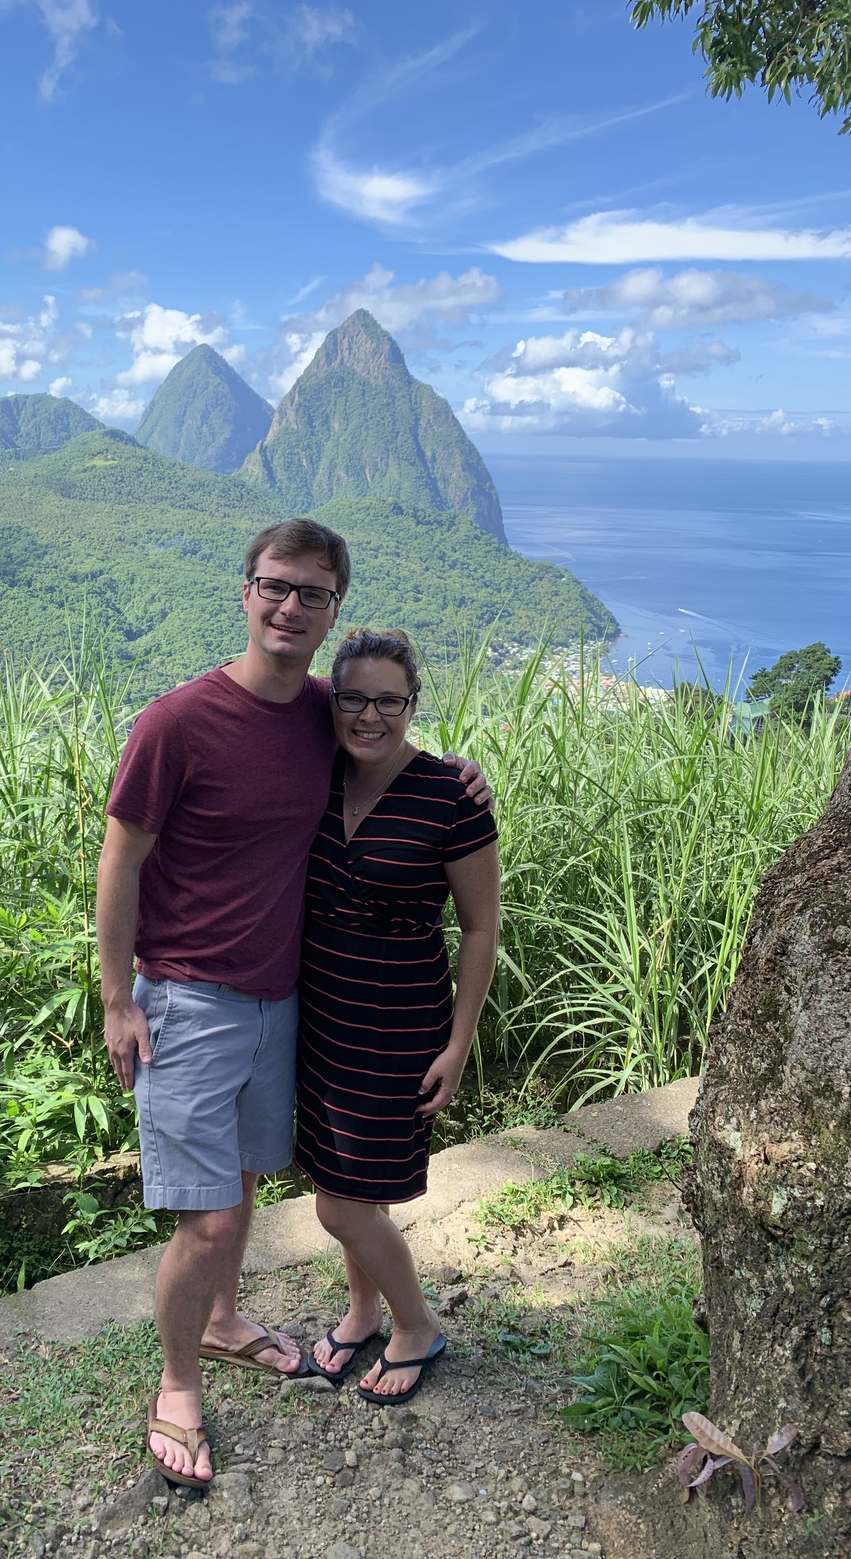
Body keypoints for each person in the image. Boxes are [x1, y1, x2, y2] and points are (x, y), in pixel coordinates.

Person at [96, 518, 491, 1486]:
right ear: (245, 591)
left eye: (311, 594)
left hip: (285, 1006)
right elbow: (121, 860)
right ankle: (179, 1383)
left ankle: (226, 1321)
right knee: (213, 1220)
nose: (289, 605)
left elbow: (380, 730)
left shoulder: (323, 711)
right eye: (275, 585)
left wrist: (458, 773)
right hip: (187, 999)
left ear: (332, 610)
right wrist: (116, 998)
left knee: (239, 1184)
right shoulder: (176, 721)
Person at [296, 627, 500, 1405]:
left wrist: (460, 1042)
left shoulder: (451, 795)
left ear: (413, 706)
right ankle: (362, 1310)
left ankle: (416, 1325)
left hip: (398, 1026)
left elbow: (481, 928)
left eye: (390, 700)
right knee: (355, 1185)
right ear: (333, 699)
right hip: (322, 1019)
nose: (371, 715)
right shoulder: (315, 775)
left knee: (340, 1203)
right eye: (355, 697)